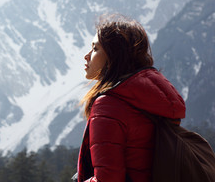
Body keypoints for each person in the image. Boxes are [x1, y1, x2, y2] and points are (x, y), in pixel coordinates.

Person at [74, 14, 186, 182]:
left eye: (96, 49)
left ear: (113, 56)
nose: (87, 55)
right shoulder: (150, 99)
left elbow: (108, 179)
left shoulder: (109, 105)